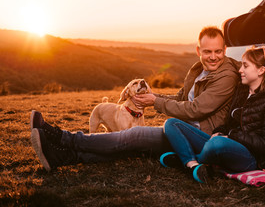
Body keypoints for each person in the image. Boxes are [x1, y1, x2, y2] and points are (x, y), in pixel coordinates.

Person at [30, 26, 240, 171]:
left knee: (131, 136)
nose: (213, 57)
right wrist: (153, 96)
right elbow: (180, 97)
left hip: (197, 138)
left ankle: (61, 138)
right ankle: (62, 156)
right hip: (180, 130)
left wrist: (154, 102)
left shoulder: (227, 76)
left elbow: (196, 109)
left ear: (225, 50)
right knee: (128, 146)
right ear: (198, 51)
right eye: (207, 51)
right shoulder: (198, 69)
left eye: (218, 51)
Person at [160, 47, 265, 183]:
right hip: (226, 143)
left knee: (217, 142)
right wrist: (220, 131)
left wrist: (231, 135)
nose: (240, 70)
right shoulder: (242, 92)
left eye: (245, 66)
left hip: (250, 158)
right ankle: (193, 165)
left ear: (261, 70)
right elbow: (229, 124)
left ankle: (184, 160)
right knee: (172, 123)